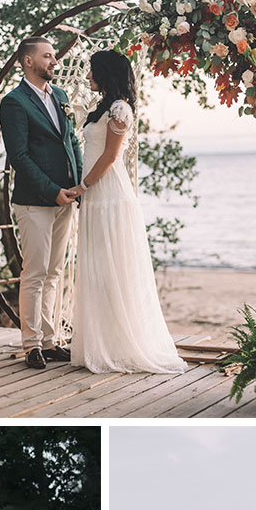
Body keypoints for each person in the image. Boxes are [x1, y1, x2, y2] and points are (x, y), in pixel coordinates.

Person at [72, 51, 183, 376]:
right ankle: (101, 341)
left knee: (113, 268)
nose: (88, 77)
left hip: (108, 194)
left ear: (106, 74)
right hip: (95, 194)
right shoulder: (101, 108)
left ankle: (121, 345)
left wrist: (83, 187)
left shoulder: (120, 109)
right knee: (97, 269)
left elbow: (109, 157)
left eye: (92, 72)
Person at [0, 36, 83, 369]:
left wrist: (77, 184)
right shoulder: (14, 102)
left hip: (66, 196)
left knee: (54, 272)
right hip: (35, 201)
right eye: (47, 56)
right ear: (28, 61)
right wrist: (52, 191)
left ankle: (50, 341)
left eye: (54, 56)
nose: (54, 61)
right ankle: (31, 343)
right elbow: (19, 156)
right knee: (34, 273)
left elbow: (71, 140)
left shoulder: (60, 95)